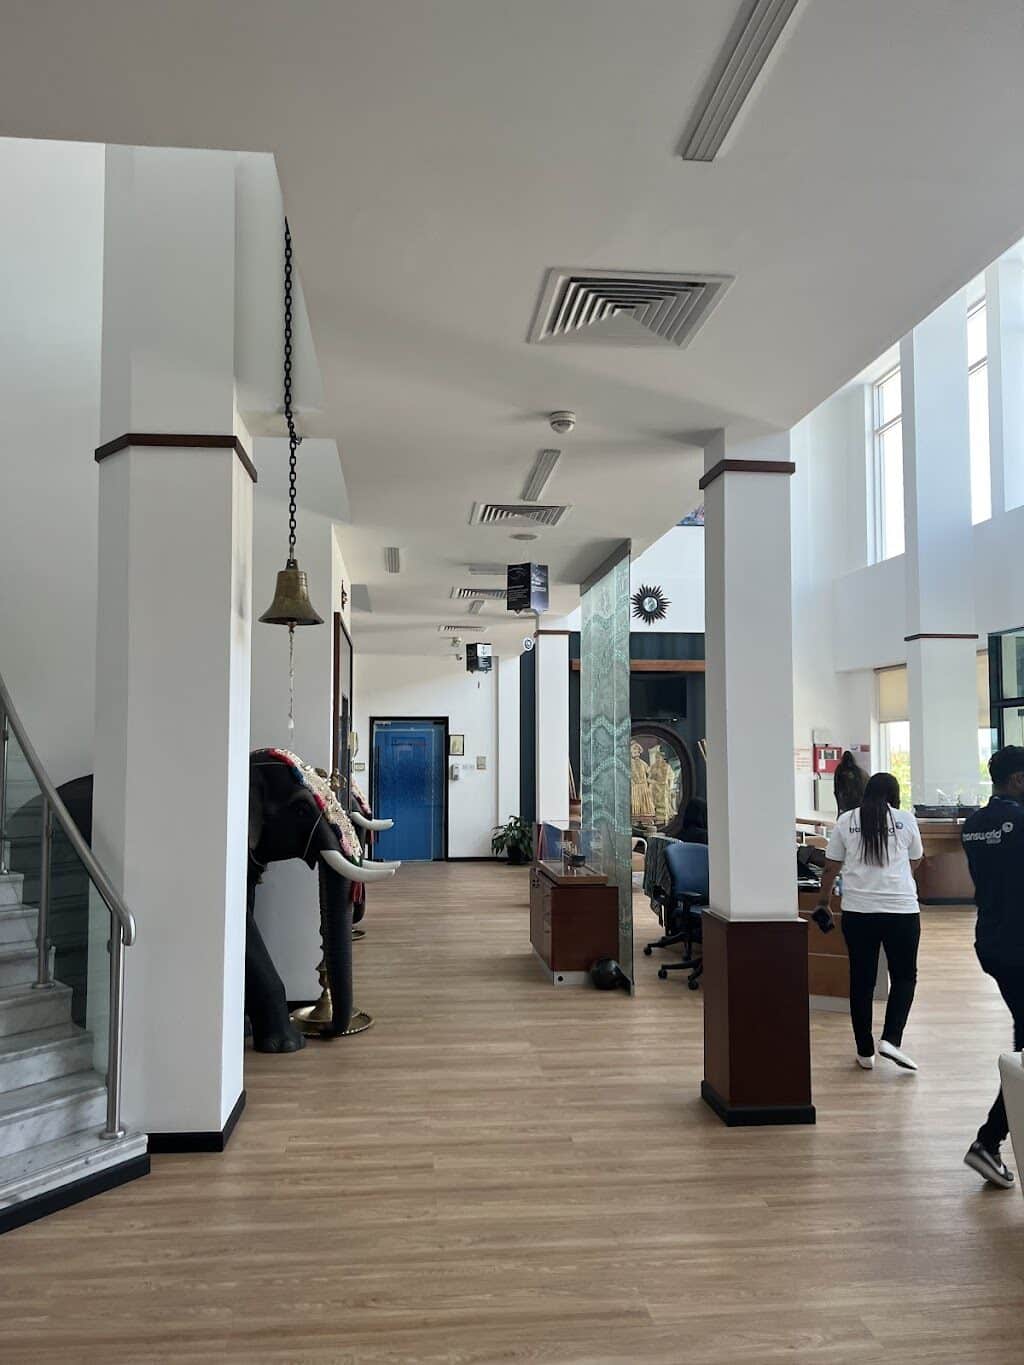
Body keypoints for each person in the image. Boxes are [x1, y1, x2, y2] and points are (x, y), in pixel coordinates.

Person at [816, 773, 923, 1070]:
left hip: (858, 911)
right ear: (895, 795)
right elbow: (915, 859)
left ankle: (865, 1051)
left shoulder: (847, 820)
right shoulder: (905, 819)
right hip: (902, 910)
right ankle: (891, 1039)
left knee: (861, 979)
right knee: (904, 976)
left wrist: (823, 902)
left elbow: (831, 867)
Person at [960, 745, 1024, 1189]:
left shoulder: (975, 825)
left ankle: (991, 1139)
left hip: (993, 942)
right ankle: (988, 1140)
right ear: (1018, 780)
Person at [833, 749, 867, 817]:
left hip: (844, 796)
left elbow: (836, 784)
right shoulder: (856, 769)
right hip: (855, 796)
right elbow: (860, 785)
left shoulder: (840, 769)